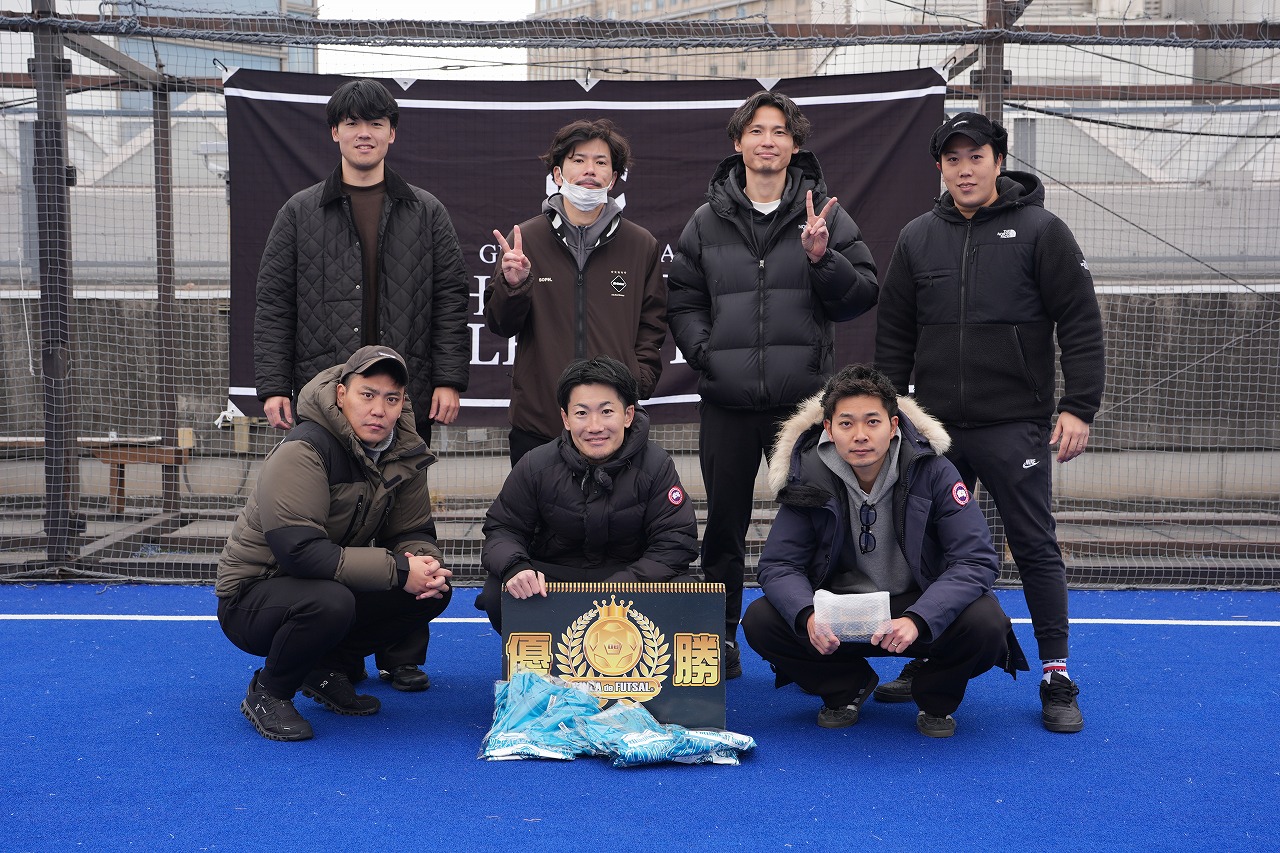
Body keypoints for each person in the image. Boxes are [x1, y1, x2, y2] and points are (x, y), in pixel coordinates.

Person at [874, 111, 1105, 733]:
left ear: (998, 162)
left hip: (1014, 424)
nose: (965, 169)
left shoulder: (1042, 231)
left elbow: (1080, 321)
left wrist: (1079, 406)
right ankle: (926, 654)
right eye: (952, 159)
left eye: (976, 157)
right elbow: (894, 334)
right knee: (923, 546)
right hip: (935, 428)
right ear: (940, 168)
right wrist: (891, 413)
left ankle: (1056, 674)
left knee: (1033, 545)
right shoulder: (917, 237)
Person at [254, 78, 469, 690]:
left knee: (405, 518)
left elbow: (451, 300)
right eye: (352, 122)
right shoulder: (300, 211)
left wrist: (449, 378)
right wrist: (273, 384)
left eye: (376, 122)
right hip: (326, 398)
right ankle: (335, 651)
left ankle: (402, 650)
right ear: (335, 133)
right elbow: (273, 302)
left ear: (392, 133)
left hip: (405, 397)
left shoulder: (426, 210)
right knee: (330, 521)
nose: (364, 133)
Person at [667, 91, 880, 678]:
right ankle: (720, 637)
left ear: (795, 144)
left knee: (817, 522)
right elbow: (682, 299)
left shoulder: (826, 215)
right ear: (738, 142)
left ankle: (817, 639)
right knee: (724, 527)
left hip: (803, 407)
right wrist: (708, 354)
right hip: (727, 403)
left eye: (780, 131)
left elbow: (862, 293)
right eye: (757, 130)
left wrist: (822, 259)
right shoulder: (705, 220)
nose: (768, 141)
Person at [742, 364, 1028, 737]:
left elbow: (976, 560)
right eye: (846, 424)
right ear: (828, 428)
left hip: (916, 604)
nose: (860, 435)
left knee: (988, 623)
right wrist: (809, 616)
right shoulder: (807, 475)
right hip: (839, 608)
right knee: (761, 620)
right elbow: (778, 565)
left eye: (872, 422)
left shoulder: (933, 470)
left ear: (893, 426)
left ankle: (935, 695)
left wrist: (920, 618)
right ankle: (847, 686)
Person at [216, 346, 453, 741]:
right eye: (367, 395)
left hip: (325, 580)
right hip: (252, 597)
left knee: (431, 591)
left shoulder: (402, 452)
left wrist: (424, 563)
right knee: (332, 602)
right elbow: (300, 552)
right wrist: (397, 570)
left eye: (391, 399)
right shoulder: (304, 449)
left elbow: (411, 531)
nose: (378, 409)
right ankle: (269, 692)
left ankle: (324, 668)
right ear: (341, 395)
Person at [486, 119, 667, 465]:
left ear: (613, 178)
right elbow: (500, 324)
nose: (590, 170)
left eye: (601, 162)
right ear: (557, 174)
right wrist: (514, 286)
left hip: (611, 427)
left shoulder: (640, 244)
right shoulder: (525, 240)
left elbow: (653, 325)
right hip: (538, 423)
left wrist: (637, 380)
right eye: (578, 160)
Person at [476, 355, 698, 632]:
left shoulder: (656, 465)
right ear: (566, 418)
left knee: (686, 592)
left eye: (607, 412)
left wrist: (621, 586)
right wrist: (516, 567)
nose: (595, 427)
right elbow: (503, 529)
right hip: (554, 580)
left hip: (630, 580)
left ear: (628, 415)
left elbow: (675, 542)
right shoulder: (536, 465)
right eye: (581, 413)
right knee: (499, 589)